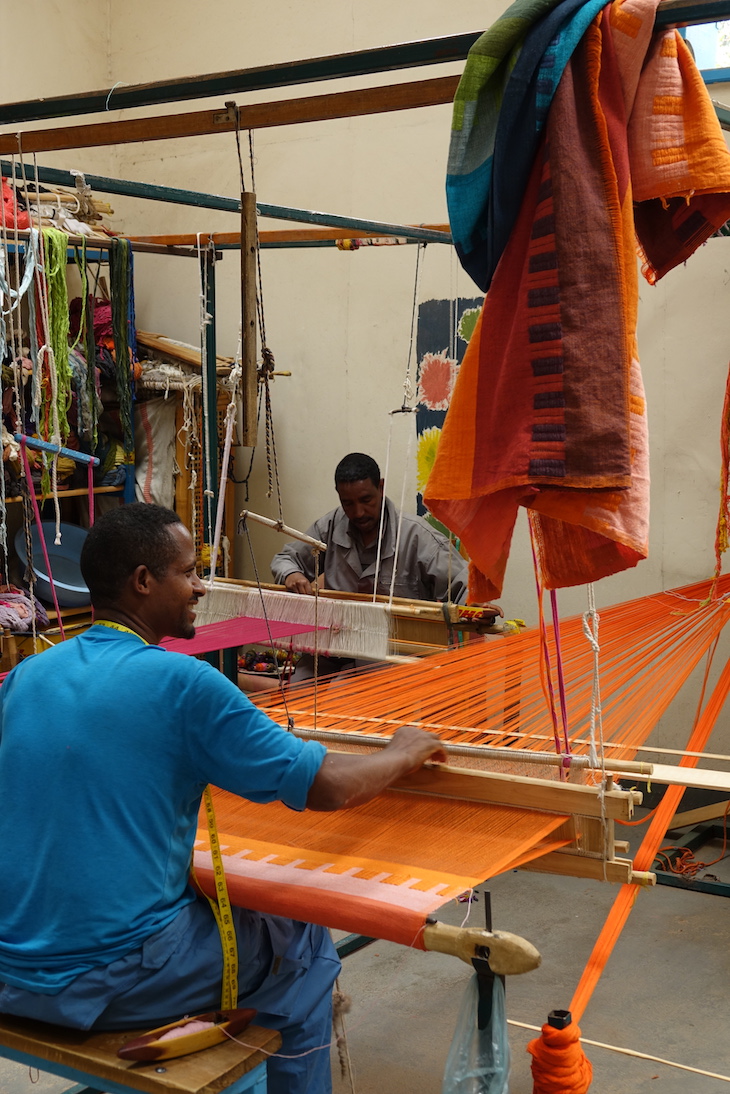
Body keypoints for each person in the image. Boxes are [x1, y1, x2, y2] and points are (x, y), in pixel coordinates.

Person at [0, 503, 445, 1094]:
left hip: (13, 969)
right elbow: (329, 787)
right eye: (189, 572)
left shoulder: (30, 676)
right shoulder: (183, 684)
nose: (201, 586)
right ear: (143, 581)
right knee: (304, 941)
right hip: (111, 980)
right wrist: (403, 751)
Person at [271, 452, 471, 603]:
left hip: (401, 652)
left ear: (381, 487)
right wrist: (291, 574)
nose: (358, 512)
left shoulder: (417, 536)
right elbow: (285, 559)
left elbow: (465, 586)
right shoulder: (329, 527)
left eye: (366, 500)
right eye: (348, 503)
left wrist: (476, 607)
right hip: (337, 652)